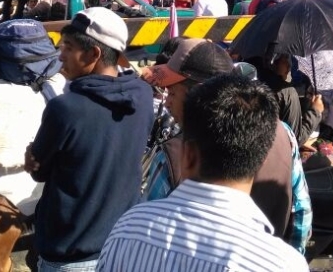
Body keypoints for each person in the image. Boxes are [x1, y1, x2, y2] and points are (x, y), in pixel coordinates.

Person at [98, 74, 308, 272]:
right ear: (259, 159)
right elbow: (302, 212)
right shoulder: (281, 264)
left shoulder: (127, 229)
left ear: (188, 155)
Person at [140, 40, 312, 254]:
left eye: (172, 93)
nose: (166, 103)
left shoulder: (174, 153)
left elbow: (148, 235)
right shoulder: (283, 133)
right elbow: (301, 212)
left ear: (200, 95)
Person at [25, 7, 154, 272]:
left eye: (68, 48)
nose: (61, 55)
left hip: (70, 251)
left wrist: (31, 157)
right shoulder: (141, 95)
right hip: (122, 242)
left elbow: (39, 171)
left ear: (94, 54)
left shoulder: (66, 108)